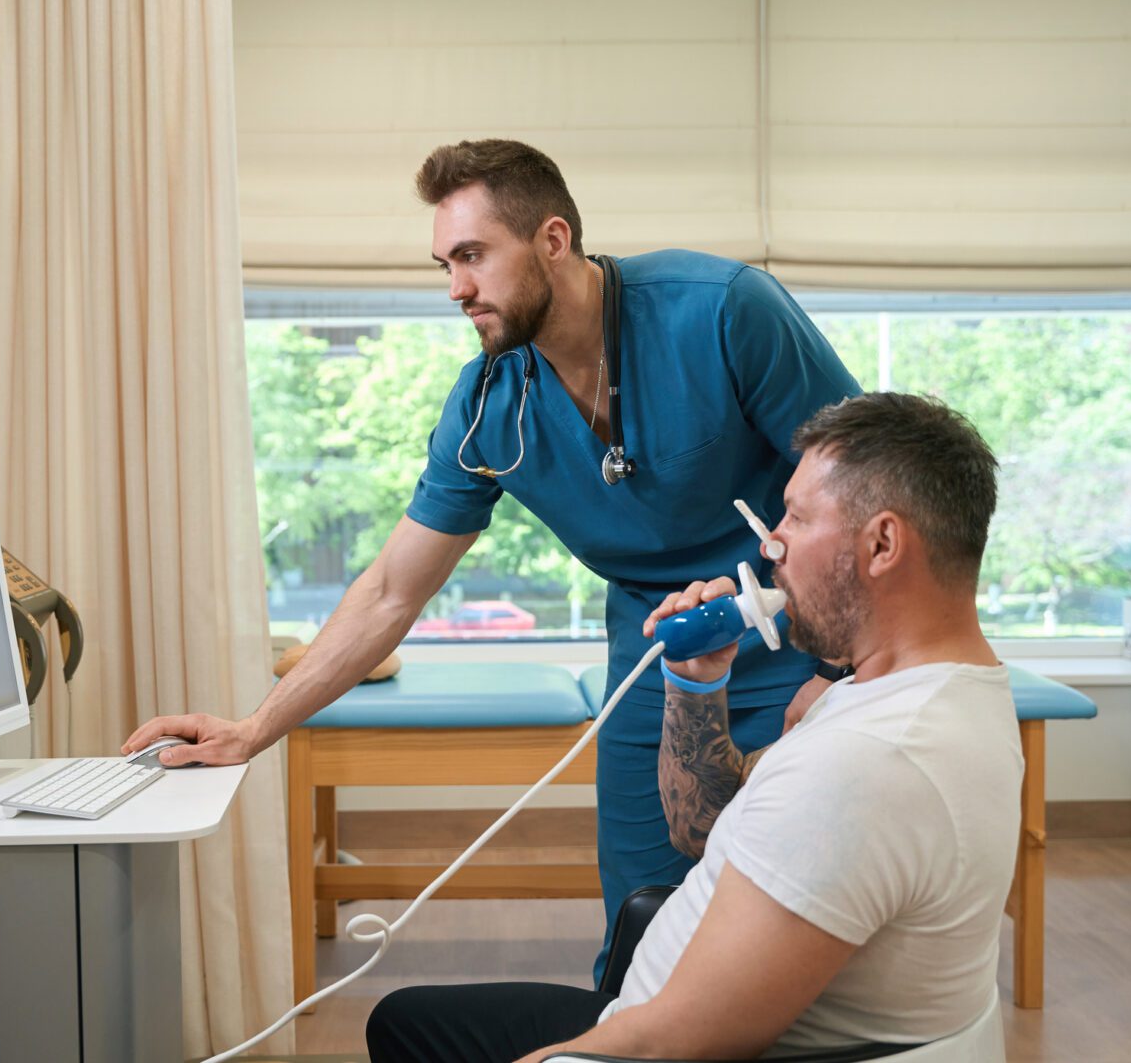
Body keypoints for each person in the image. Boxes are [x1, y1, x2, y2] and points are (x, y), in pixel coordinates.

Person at [123, 139, 862, 975]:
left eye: (473, 256)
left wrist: (848, 674)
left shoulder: (722, 310)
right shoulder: (488, 407)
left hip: (805, 647)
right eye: (444, 263)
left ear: (552, 239)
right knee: (643, 931)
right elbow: (392, 592)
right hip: (656, 658)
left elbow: (870, 484)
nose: (455, 289)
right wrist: (253, 730)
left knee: (799, 914)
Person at [365, 393, 1022, 1063]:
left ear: (881, 544)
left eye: (795, 517)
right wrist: (697, 681)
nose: (771, 544)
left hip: (662, 1037)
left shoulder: (868, 762)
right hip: (660, 1009)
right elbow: (704, 830)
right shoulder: (921, 696)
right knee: (406, 1021)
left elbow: (678, 1043)